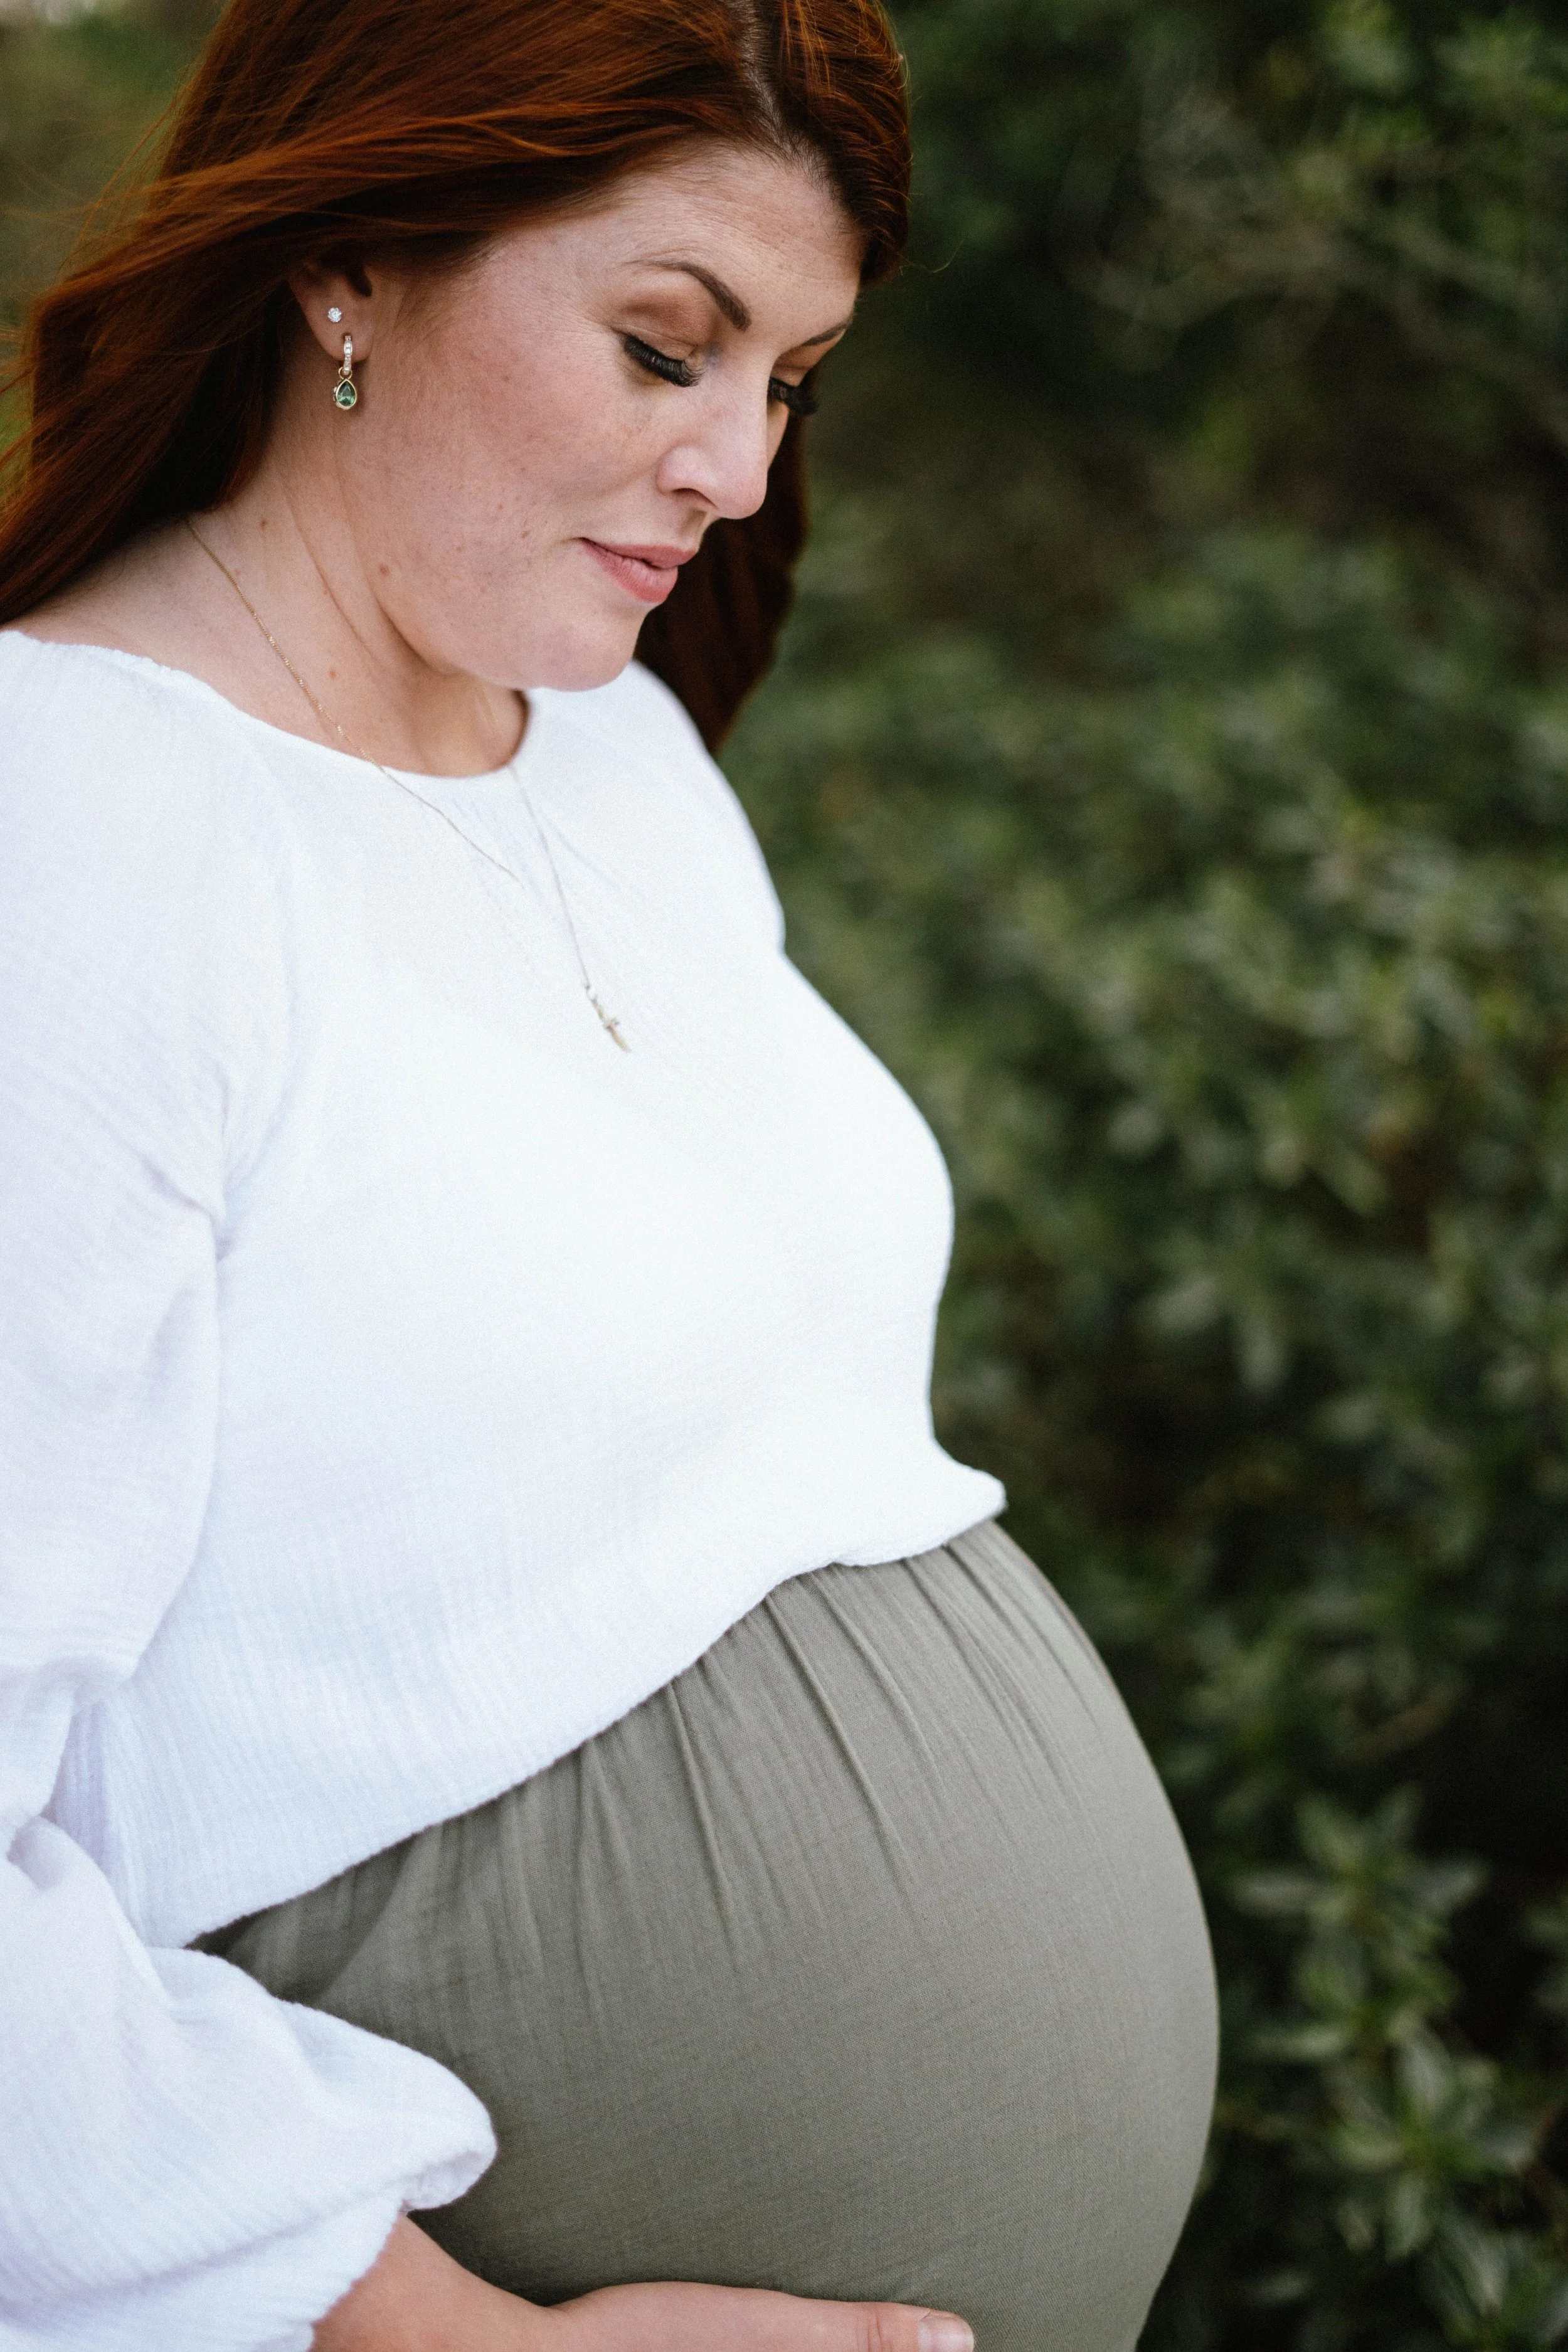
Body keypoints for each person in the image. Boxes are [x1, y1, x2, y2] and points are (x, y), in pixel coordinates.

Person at [0, 1, 1218, 2346]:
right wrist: (469, 2343)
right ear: (352, 252)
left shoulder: (614, 747)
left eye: (789, 380)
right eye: (669, 347)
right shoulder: (81, 829)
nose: (738, 471)